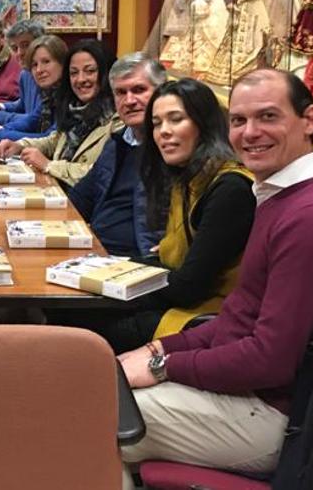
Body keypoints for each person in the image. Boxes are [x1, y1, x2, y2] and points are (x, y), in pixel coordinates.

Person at [116, 68, 313, 488]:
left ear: (309, 120)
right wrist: (159, 347)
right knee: (95, 392)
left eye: (268, 117)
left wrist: (163, 366)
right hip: (250, 398)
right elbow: (236, 317)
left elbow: (271, 360)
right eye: (238, 120)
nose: (250, 133)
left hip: (274, 417)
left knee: (82, 420)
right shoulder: (276, 197)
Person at [53, 78, 255, 354]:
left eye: (176, 120)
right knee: (65, 306)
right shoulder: (188, 177)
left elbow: (189, 286)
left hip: (204, 318)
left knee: (73, 324)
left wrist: (116, 281)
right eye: (157, 123)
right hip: (179, 295)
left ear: (204, 124)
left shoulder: (230, 188)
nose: (164, 132)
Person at [66, 53, 167, 256]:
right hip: (94, 250)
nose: (129, 101)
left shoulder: (170, 150)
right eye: (121, 92)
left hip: (138, 261)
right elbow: (79, 199)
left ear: (162, 93)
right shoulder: (117, 142)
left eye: (139, 90)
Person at [0, 40, 121, 187]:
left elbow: (102, 174)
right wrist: (20, 145)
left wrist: (49, 165)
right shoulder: (75, 109)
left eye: (90, 71)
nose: (80, 79)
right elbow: (54, 140)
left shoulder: (119, 119)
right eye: (74, 73)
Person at [0, 32, 64, 141]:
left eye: (46, 62)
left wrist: (2, 134)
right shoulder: (50, 93)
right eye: (34, 65)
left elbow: (50, 138)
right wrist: (3, 130)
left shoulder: (68, 95)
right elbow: (32, 120)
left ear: (63, 63)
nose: (39, 70)